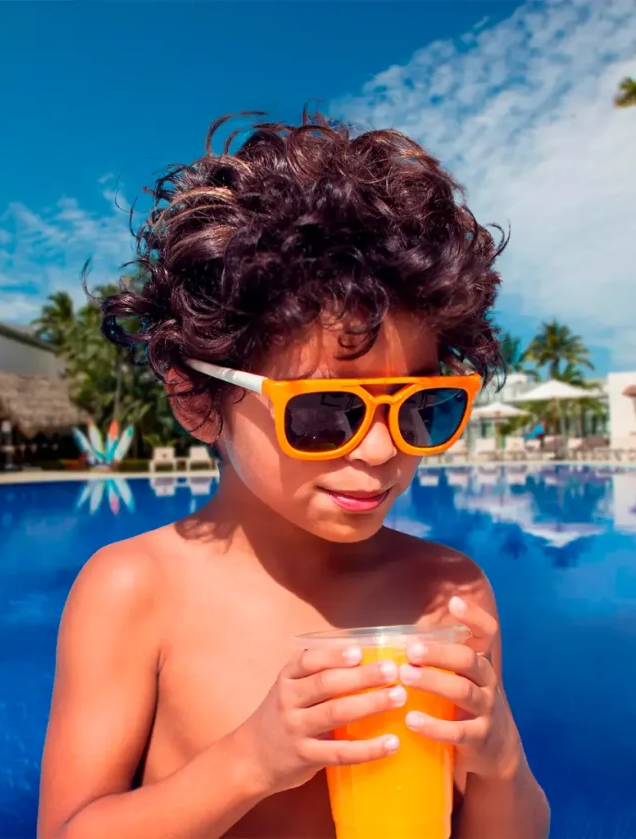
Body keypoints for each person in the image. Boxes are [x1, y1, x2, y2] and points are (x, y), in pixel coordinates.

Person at [36, 112, 550, 839]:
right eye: (324, 411)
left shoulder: (449, 593)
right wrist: (250, 760)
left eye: (419, 407)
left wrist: (501, 761)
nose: (379, 451)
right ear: (196, 397)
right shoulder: (134, 592)